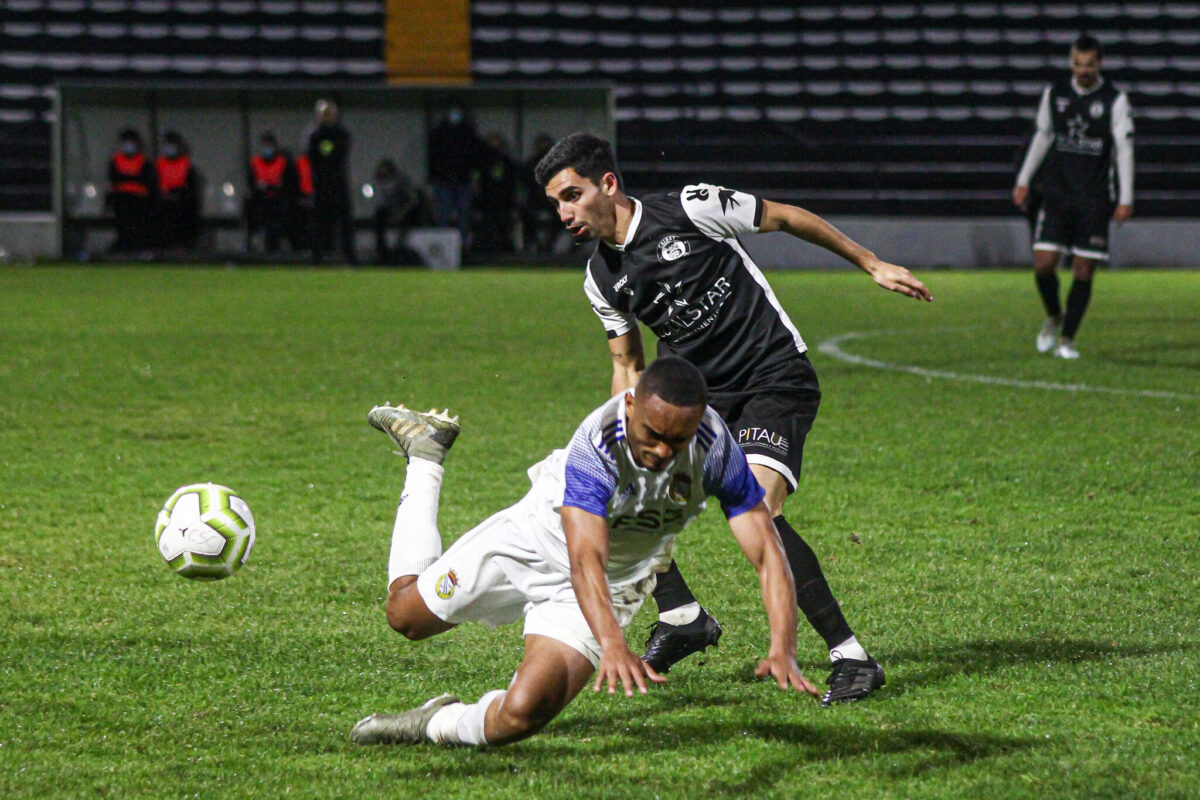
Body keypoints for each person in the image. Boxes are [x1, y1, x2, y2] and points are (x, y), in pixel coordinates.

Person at [535, 132, 933, 705]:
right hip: (701, 405)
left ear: (608, 184)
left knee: (759, 511)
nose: (564, 212)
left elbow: (787, 217)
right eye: (556, 203)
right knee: (624, 497)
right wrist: (620, 442)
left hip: (774, 378)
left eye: (572, 195)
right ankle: (681, 615)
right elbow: (627, 364)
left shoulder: (692, 207)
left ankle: (852, 657)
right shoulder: (601, 278)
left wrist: (870, 263)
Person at [351, 357, 818, 748]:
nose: (661, 451)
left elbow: (767, 553)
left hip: (611, 585)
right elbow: (583, 557)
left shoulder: (716, 449)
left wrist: (784, 646)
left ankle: (433, 723)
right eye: (652, 434)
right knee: (405, 617)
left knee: (520, 716)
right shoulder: (596, 445)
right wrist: (613, 644)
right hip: (531, 544)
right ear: (631, 405)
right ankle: (426, 456)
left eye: (677, 441)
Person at [1013, 33, 1134, 360]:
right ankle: (1054, 315)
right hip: (1057, 194)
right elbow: (1043, 135)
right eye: (1077, 64)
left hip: (1094, 199)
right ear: (1071, 62)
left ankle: (1067, 340)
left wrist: (1125, 197)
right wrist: (1024, 180)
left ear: (1100, 64)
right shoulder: (1055, 94)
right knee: (1043, 266)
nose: (1082, 70)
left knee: (1083, 270)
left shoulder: (1114, 100)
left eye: (1089, 64)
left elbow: (1124, 150)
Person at [306, 98, 357, 264]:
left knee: (345, 225)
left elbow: (336, 153)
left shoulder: (341, 134)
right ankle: (317, 258)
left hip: (338, 185)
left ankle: (350, 258)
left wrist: (327, 150)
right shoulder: (315, 135)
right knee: (320, 224)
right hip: (321, 185)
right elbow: (314, 156)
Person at [427, 103, 482, 246]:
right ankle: (444, 247)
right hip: (444, 181)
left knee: (464, 216)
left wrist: (473, 179)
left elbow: (475, 158)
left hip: (463, 181)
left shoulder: (468, 133)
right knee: (443, 216)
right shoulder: (439, 133)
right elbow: (433, 158)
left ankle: (463, 248)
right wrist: (434, 178)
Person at [106, 128, 155, 254]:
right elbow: (115, 179)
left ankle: (137, 246)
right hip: (121, 199)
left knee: (137, 225)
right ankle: (123, 245)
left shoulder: (144, 161)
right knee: (122, 225)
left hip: (139, 200)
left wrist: (127, 178)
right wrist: (133, 178)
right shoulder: (116, 160)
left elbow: (146, 180)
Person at [370, 158, 427, 265]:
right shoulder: (378, 183)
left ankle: (400, 248)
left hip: (407, 212)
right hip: (392, 212)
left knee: (406, 220)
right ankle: (382, 252)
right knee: (379, 217)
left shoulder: (401, 181)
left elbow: (412, 200)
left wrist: (401, 213)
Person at [246, 132, 295, 256]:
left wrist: (274, 188)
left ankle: (277, 251)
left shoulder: (283, 162)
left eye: (269, 145)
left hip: (278, 203)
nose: (267, 149)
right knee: (261, 229)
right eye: (264, 146)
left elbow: (288, 183)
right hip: (261, 203)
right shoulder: (255, 162)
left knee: (277, 231)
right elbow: (252, 183)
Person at [471, 132, 519, 257]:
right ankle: (486, 249)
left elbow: (512, 182)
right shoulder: (481, 161)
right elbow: (477, 181)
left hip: (503, 202)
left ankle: (503, 249)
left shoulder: (507, 162)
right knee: (486, 225)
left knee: (503, 225)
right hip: (486, 201)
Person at [155, 130, 200, 252]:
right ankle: (163, 248)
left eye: (172, 145)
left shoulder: (186, 164)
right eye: (167, 145)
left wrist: (180, 194)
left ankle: (181, 247)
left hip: (181, 203)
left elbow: (192, 186)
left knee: (182, 221)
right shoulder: (159, 164)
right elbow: (153, 184)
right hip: (163, 202)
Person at [519, 133, 560, 256]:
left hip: (554, 202)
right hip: (535, 201)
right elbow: (525, 183)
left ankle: (550, 246)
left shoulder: (559, 165)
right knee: (526, 216)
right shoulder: (531, 163)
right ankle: (534, 245)